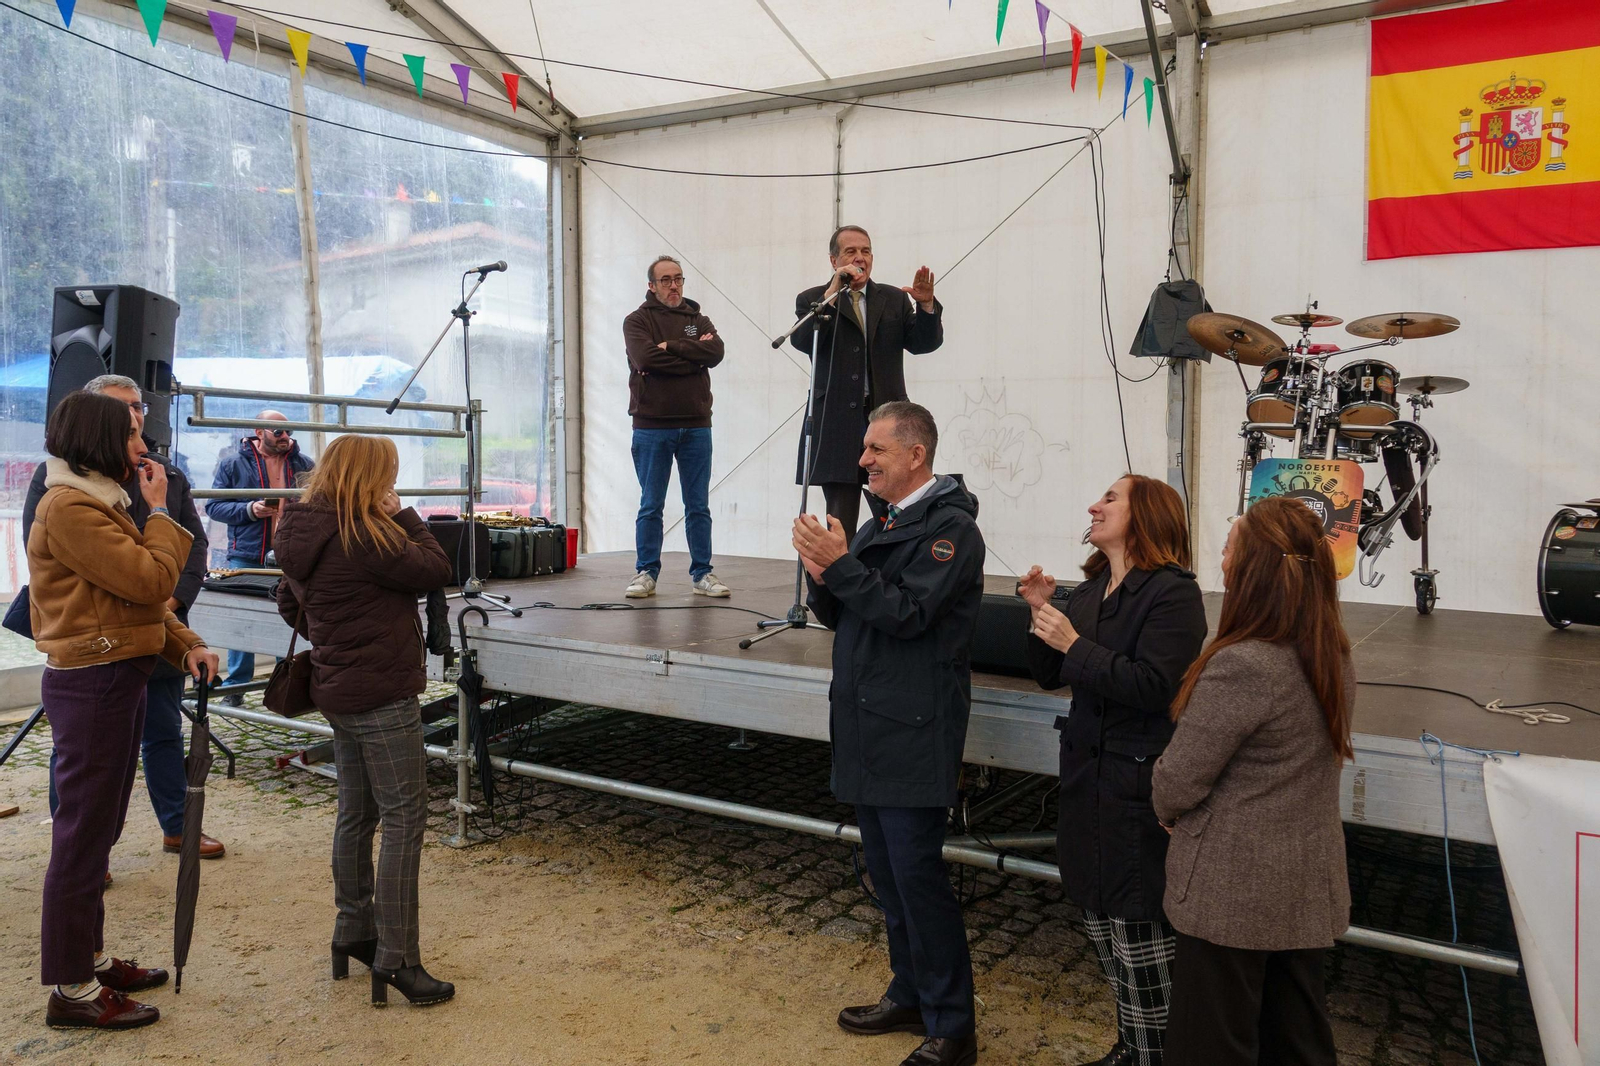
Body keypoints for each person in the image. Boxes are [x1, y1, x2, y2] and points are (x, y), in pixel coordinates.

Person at [793, 401, 984, 1066]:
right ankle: (910, 994)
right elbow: (849, 610)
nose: (862, 460)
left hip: (911, 731)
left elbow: (906, 613)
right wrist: (823, 574)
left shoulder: (950, 531)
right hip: (870, 727)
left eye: (875, 449)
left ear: (915, 456)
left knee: (917, 880)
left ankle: (952, 1026)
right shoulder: (886, 524)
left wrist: (841, 565)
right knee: (888, 877)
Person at [27, 390, 219, 1030]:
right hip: (95, 682)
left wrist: (184, 644)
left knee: (98, 829)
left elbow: (135, 605)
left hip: (115, 674)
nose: (144, 447)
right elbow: (149, 581)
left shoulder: (95, 501)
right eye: (132, 435)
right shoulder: (70, 509)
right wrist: (163, 511)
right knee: (82, 838)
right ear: (100, 441)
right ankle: (72, 990)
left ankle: (90, 956)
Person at [1153, 498, 1354, 1066]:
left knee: (1210, 1045)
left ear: (1254, 570)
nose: (1220, 561)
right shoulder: (1331, 652)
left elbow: (1179, 780)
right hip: (1304, 883)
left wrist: (1168, 809)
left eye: (1229, 550)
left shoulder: (1246, 663)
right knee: (1295, 1039)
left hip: (1231, 895)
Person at [1018, 475, 1208, 1066]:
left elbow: (1155, 687)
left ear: (1146, 514)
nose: (1093, 506)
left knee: (1142, 942)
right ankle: (1132, 1049)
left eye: (1110, 498)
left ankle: (1155, 1054)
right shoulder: (1094, 584)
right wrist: (1041, 613)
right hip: (1086, 784)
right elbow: (1052, 675)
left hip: (1134, 789)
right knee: (1104, 929)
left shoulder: (1173, 593)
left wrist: (1073, 641)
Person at [273, 434, 455, 1008]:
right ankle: (398, 958)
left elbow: (287, 601)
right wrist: (402, 511)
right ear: (372, 477)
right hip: (381, 692)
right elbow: (435, 567)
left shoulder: (299, 528)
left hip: (335, 687)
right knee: (405, 818)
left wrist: (334, 629)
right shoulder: (369, 532)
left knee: (356, 814)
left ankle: (353, 931)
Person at [22, 375, 227, 862]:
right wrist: (150, 579)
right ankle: (82, 849)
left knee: (163, 731)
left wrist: (171, 607)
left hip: (155, 626)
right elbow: (67, 565)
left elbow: (193, 544)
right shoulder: (62, 489)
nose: (137, 419)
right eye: (123, 412)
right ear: (95, 424)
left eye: (138, 407)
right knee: (85, 768)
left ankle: (177, 826)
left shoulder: (163, 474)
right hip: (101, 646)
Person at [791, 225, 943, 537]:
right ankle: (838, 582)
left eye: (866, 251)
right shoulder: (814, 300)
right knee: (841, 520)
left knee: (894, 513)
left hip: (887, 422)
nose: (860, 257)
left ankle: (888, 582)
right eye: (851, 252)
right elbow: (803, 340)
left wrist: (926, 306)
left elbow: (923, 343)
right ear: (835, 260)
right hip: (836, 424)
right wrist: (833, 293)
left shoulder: (892, 299)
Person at [621, 255, 730, 600]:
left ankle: (702, 573)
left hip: (697, 426)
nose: (673, 285)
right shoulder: (637, 321)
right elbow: (646, 359)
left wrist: (678, 349)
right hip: (651, 426)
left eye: (678, 278)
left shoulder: (697, 319)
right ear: (651, 285)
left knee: (697, 504)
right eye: (665, 279)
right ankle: (646, 572)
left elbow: (715, 352)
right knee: (651, 504)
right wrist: (692, 360)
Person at [206, 411, 313, 705]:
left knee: (288, 617)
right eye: (277, 431)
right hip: (247, 553)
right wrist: (249, 510)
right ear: (259, 431)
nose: (284, 437)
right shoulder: (233, 463)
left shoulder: (304, 464)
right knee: (244, 620)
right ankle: (235, 687)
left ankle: (285, 683)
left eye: (287, 431)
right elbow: (214, 506)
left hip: (291, 554)